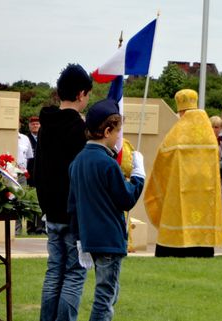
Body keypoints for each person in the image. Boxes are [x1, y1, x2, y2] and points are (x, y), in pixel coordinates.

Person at [69, 98, 145, 320]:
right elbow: (126, 199)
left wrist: (79, 238)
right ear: (107, 131)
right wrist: (138, 177)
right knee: (105, 297)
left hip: (90, 238)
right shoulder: (108, 164)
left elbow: (72, 205)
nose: (118, 138)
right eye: (118, 133)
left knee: (109, 293)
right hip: (109, 239)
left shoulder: (77, 161)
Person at [34, 63, 92, 321]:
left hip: (51, 211)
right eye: (88, 94)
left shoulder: (46, 125)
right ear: (81, 94)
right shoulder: (78, 129)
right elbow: (82, 174)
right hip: (73, 212)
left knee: (54, 272)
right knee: (75, 273)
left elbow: (41, 170)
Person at [144, 89, 222, 257]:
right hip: (205, 193)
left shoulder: (175, 137)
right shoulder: (210, 137)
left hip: (177, 195)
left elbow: (161, 166)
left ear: (180, 111)